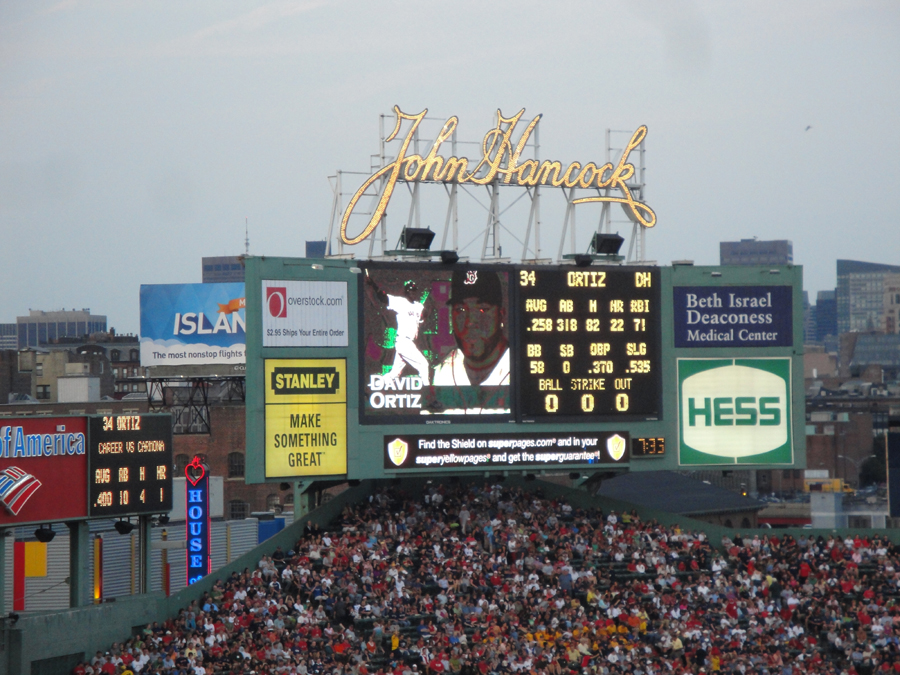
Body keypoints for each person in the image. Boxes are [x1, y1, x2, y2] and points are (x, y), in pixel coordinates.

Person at [432, 269, 509, 386]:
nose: (470, 322)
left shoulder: (523, 368)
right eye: (460, 310)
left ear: (501, 315)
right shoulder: (441, 373)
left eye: (482, 309)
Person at [366, 270, 430, 385]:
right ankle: (429, 393)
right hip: (403, 342)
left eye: (414, 291)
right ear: (406, 292)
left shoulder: (418, 306)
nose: (412, 293)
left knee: (394, 374)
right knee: (423, 365)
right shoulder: (401, 302)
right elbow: (383, 297)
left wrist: (424, 315)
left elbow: (424, 313)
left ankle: (376, 385)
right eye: (410, 291)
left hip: (409, 342)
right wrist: (373, 285)